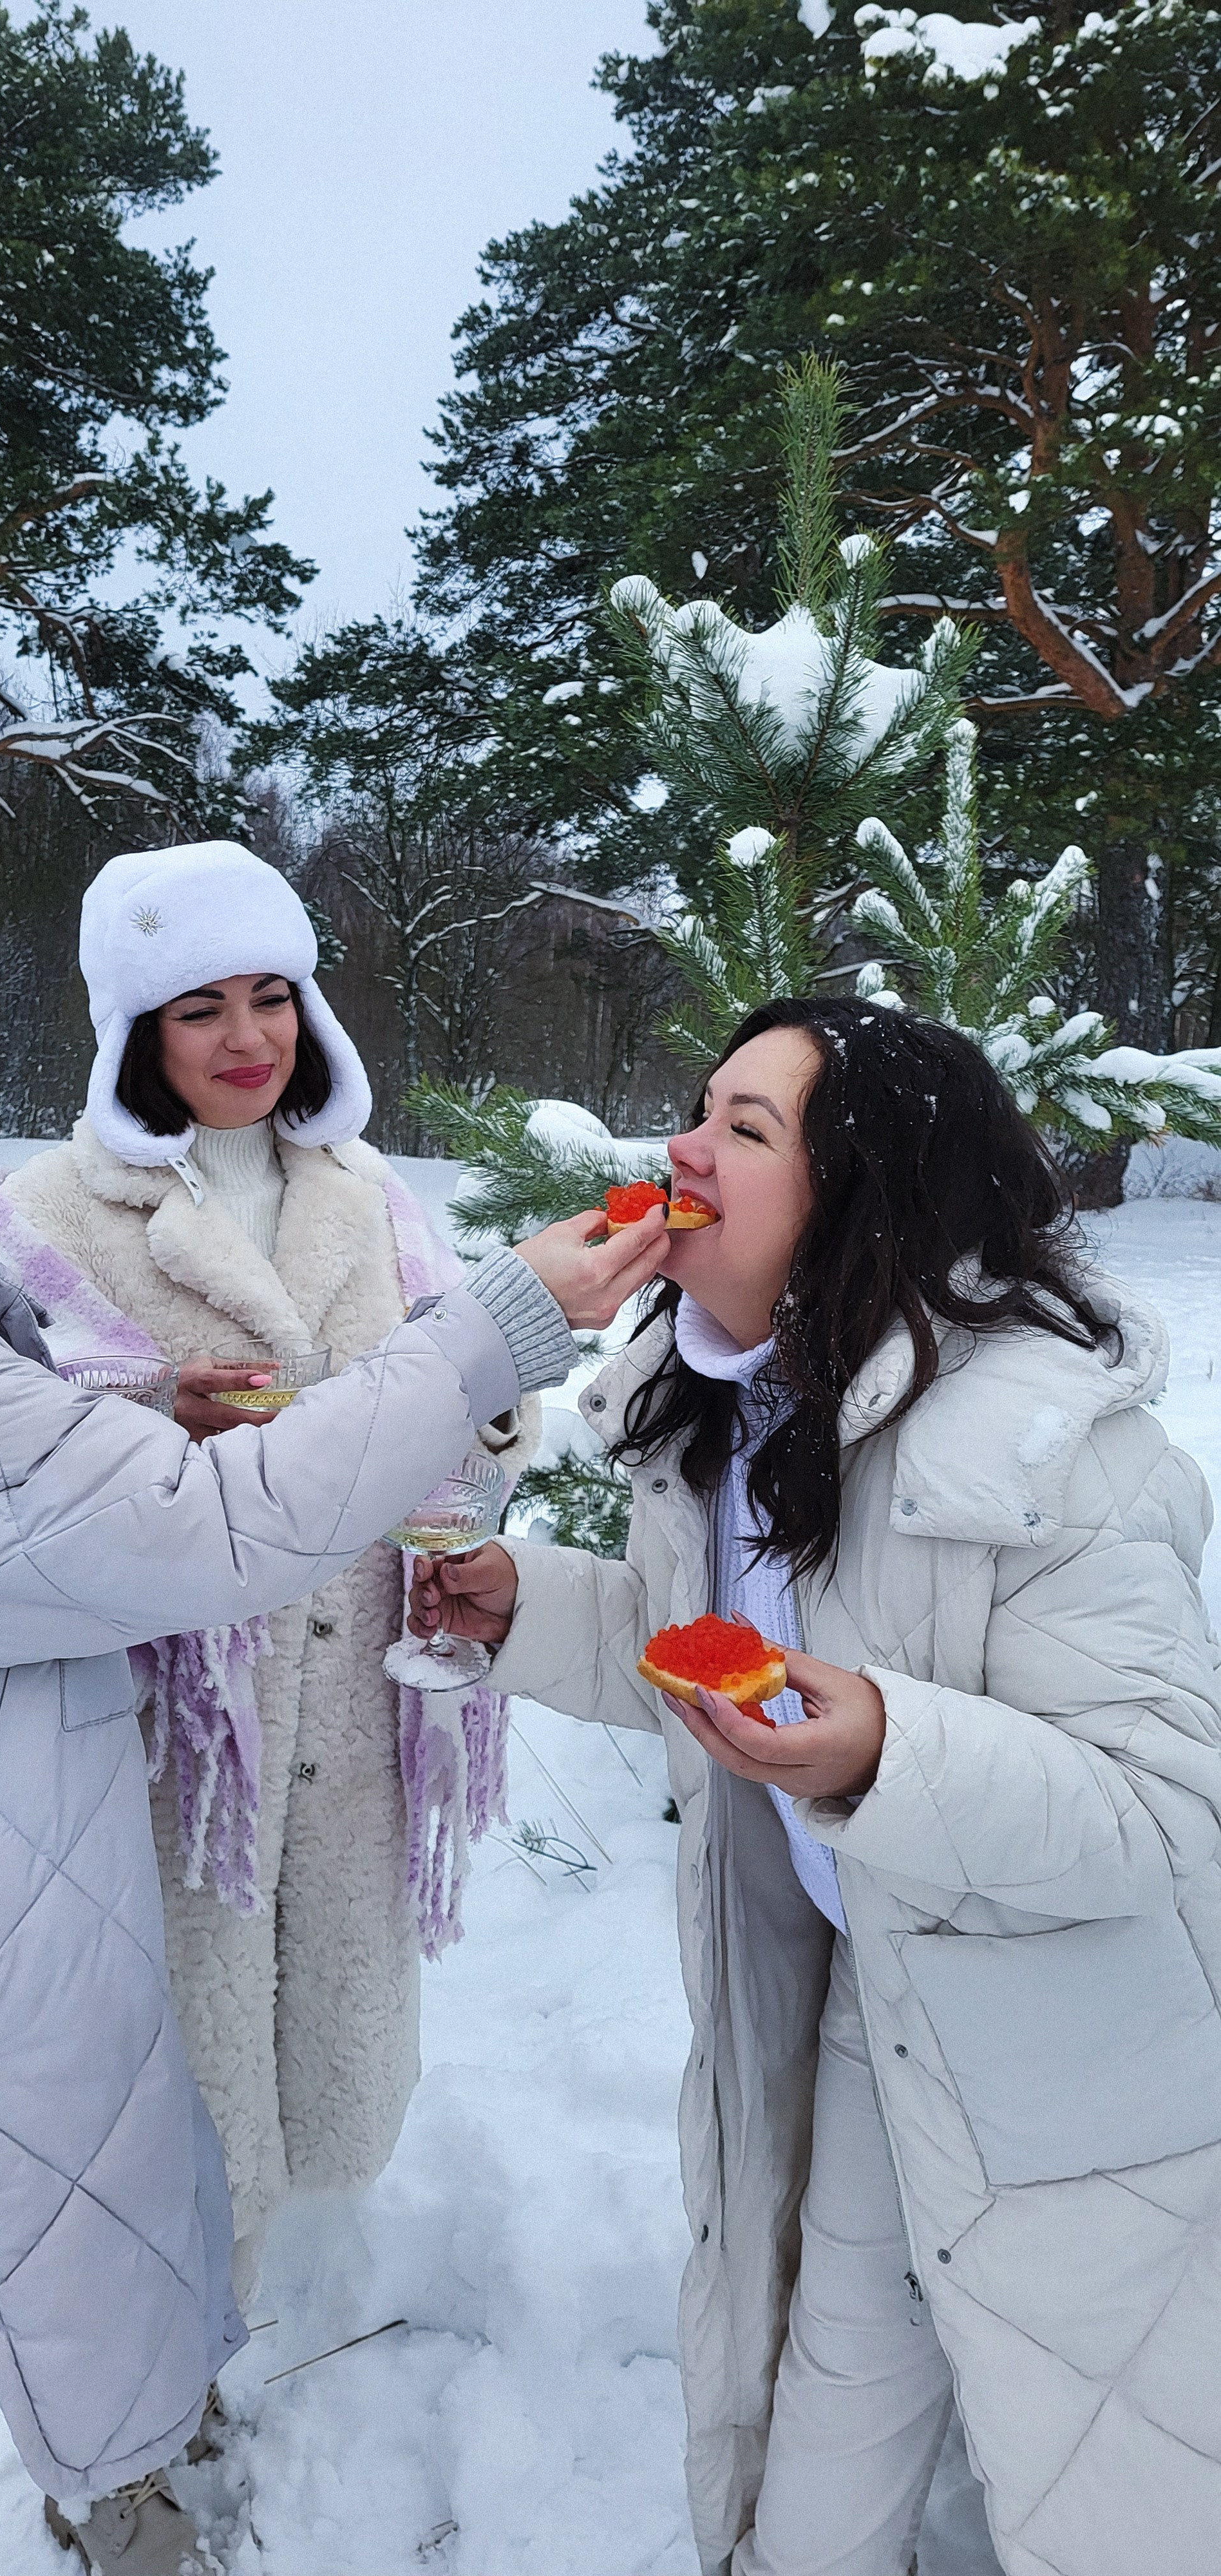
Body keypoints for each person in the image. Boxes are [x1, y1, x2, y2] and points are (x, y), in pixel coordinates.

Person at [0, 837, 667, 2576]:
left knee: (80, 2203)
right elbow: (182, 1521)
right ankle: (125, 2457)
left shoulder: (340, 1197)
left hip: (139, 1786)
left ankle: (138, 2403)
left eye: (276, 994)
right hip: (142, 1768)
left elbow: (27, 1473)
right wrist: (495, 1326)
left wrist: (445, 1443)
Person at [410, 996, 1221, 2576]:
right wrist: (527, 1608)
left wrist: (886, 1751)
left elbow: (1164, 1820)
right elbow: (702, 1662)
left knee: (1116, 2479)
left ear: (861, 1195)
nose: (682, 1150)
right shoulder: (729, 1403)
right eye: (699, 1105)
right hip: (882, 2008)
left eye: (745, 1128)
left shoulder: (1052, 1446)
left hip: (1074, 2073)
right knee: (828, 2429)